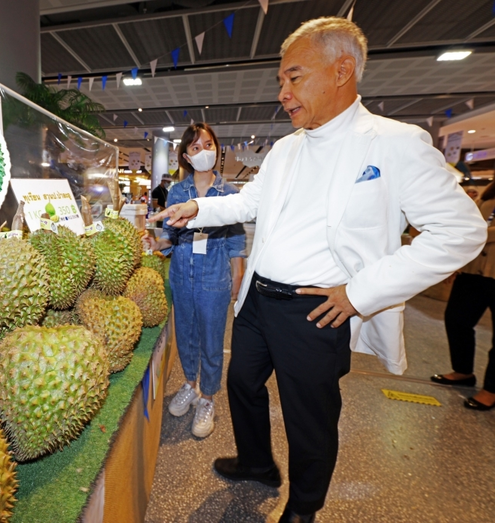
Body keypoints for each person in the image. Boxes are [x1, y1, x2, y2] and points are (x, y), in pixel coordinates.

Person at [153, 17, 486, 523]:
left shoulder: (394, 143)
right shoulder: (287, 148)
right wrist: (197, 210)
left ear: (342, 70)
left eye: (294, 77)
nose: (283, 92)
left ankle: (304, 508)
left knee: (310, 417)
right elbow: (249, 203)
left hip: (317, 309)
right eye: (281, 81)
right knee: (242, 383)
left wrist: (362, 292)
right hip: (259, 299)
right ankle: (257, 463)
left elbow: (461, 232)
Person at [144, 123, 246, 439]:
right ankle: (190, 383)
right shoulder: (177, 192)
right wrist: (154, 243)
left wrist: (238, 274)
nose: (204, 151)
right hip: (182, 277)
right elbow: (171, 237)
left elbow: (235, 239)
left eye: (209, 144)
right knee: (186, 336)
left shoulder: (228, 193)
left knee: (212, 341)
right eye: (196, 147)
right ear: (187, 157)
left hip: (214, 277)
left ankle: (208, 398)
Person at [432, 179, 495, 410]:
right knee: (457, 319)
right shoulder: (487, 195)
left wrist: (476, 235)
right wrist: (457, 261)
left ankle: (491, 389)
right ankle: (463, 371)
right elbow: (468, 226)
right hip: (473, 271)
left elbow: (473, 233)